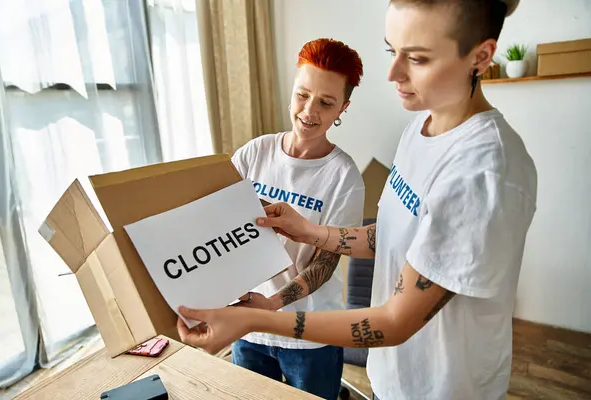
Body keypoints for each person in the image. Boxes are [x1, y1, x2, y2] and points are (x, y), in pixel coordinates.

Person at [177, 1, 537, 399]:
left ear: (481, 56)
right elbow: (391, 236)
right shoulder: (421, 127)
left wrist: (255, 318)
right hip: (392, 375)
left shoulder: (484, 172)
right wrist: (307, 229)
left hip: (442, 388)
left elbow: (395, 321)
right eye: (392, 51)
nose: (393, 73)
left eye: (416, 58)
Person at [225, 38, 366, 400]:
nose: (309, 111)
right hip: (250, 328)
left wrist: (273, 305)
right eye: (303, 95)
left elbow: (326, 262)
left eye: (326, 102)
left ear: (343, 109)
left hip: (310, 335)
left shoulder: (344, 177)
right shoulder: (254, 153)